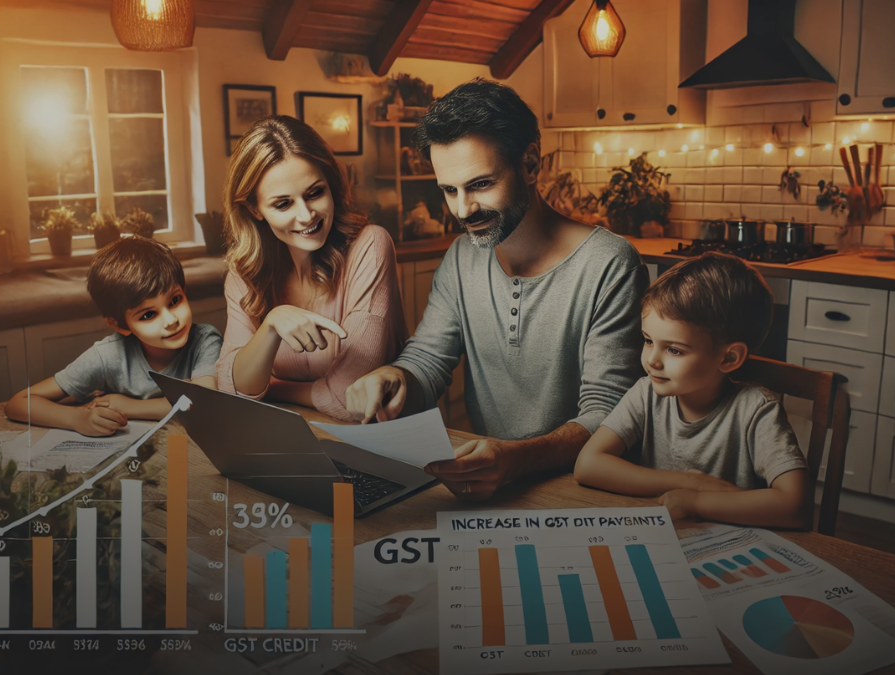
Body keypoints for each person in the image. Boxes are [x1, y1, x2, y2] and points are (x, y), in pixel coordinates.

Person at [345, 78, 649, 500]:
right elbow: (429, 358)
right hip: (492, 486)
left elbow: (610, 413)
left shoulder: (610, 264)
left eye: (481, 185)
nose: (463, 209)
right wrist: (397, 376)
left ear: (530, 164)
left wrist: (516, 458)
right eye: (449, 190)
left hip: (589, 487)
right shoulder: (461, 256)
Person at [574, 252, 809, 528]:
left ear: (729, 358)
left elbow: (796, 506)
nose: (652, 360)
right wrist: (691, 482)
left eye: (674, 349)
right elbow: (588, 465)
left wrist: (694, 503)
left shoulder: (756, 411)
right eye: (648, 341)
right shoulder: (645, 393)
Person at [216, 116, 407, 421]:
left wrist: (271, 387)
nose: (306, 216)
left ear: (331, 185)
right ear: (254, 209)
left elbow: (349, 398)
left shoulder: (370, 246)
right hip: (295, 438)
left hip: (380, 444)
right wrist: (272, 324)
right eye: (283, 205)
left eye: (315, 193)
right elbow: (230, 390)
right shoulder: (244, 273)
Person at [5, 236, 223, 436]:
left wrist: (128, 406)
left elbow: (203, 406)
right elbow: (18, 403)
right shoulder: (107, 355)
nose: (171, 320)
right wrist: (77, 419)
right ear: (119, 324)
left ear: (184, 290)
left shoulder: (205, 341)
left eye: (175, 300)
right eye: (148, 314)